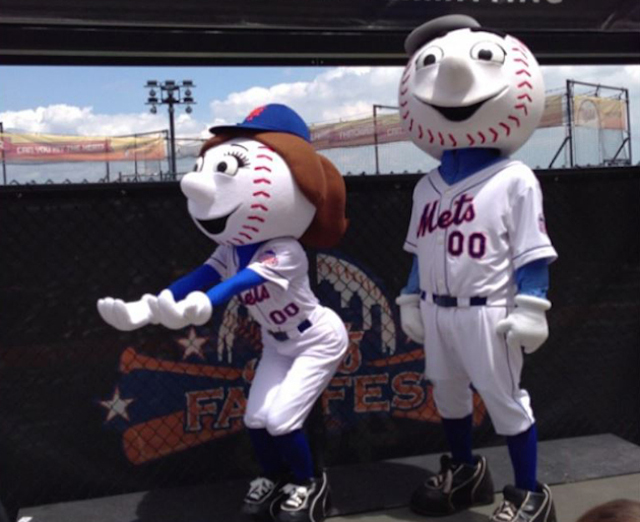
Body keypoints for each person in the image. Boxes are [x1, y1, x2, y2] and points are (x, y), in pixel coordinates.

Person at [97, 104, 349, 522]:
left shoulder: (286, 249)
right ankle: (274, 478)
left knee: (283, 420)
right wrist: (147, 307)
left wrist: (207, 304)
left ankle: (307, 483)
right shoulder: (231, 247)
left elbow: (241, 282)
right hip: (277, 342)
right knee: (255, 419)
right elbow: (201, 275)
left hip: (317, 338)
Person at [395, 15, 558, 522]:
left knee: (506, 402)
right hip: (439, 312)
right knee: (447, 396)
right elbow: (421, 250)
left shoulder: (516, 177)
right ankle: (465, 471)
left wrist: (532, 306)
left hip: (490, 311)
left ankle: (530, 494)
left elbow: (532, 252)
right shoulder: (427, 186)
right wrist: (409, 297)